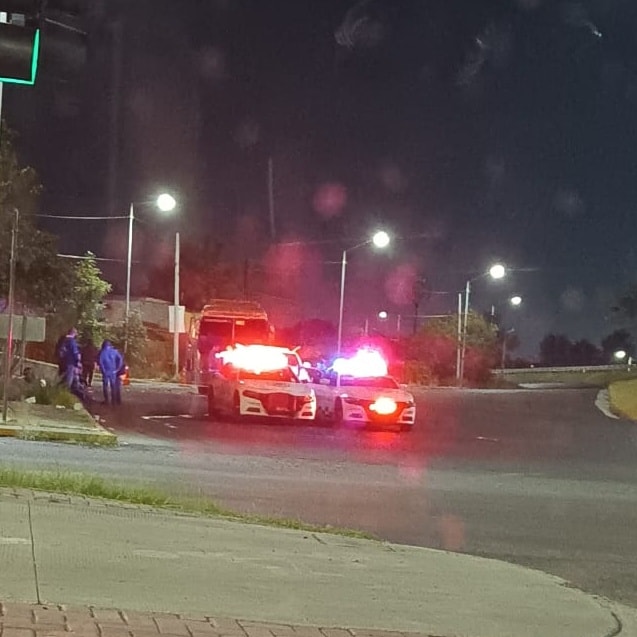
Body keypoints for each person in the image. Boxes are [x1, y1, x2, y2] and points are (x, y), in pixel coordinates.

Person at [98, 340, 124, 405]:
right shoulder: (115, 351)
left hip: (106, 371)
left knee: (105, 386)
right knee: (113, 385)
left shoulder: (102, 352)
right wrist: (118, 368)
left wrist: (103, 370)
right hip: (113, 370)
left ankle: (106, 400)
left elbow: (100, 362)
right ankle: (113, 400)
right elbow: (120, 359)